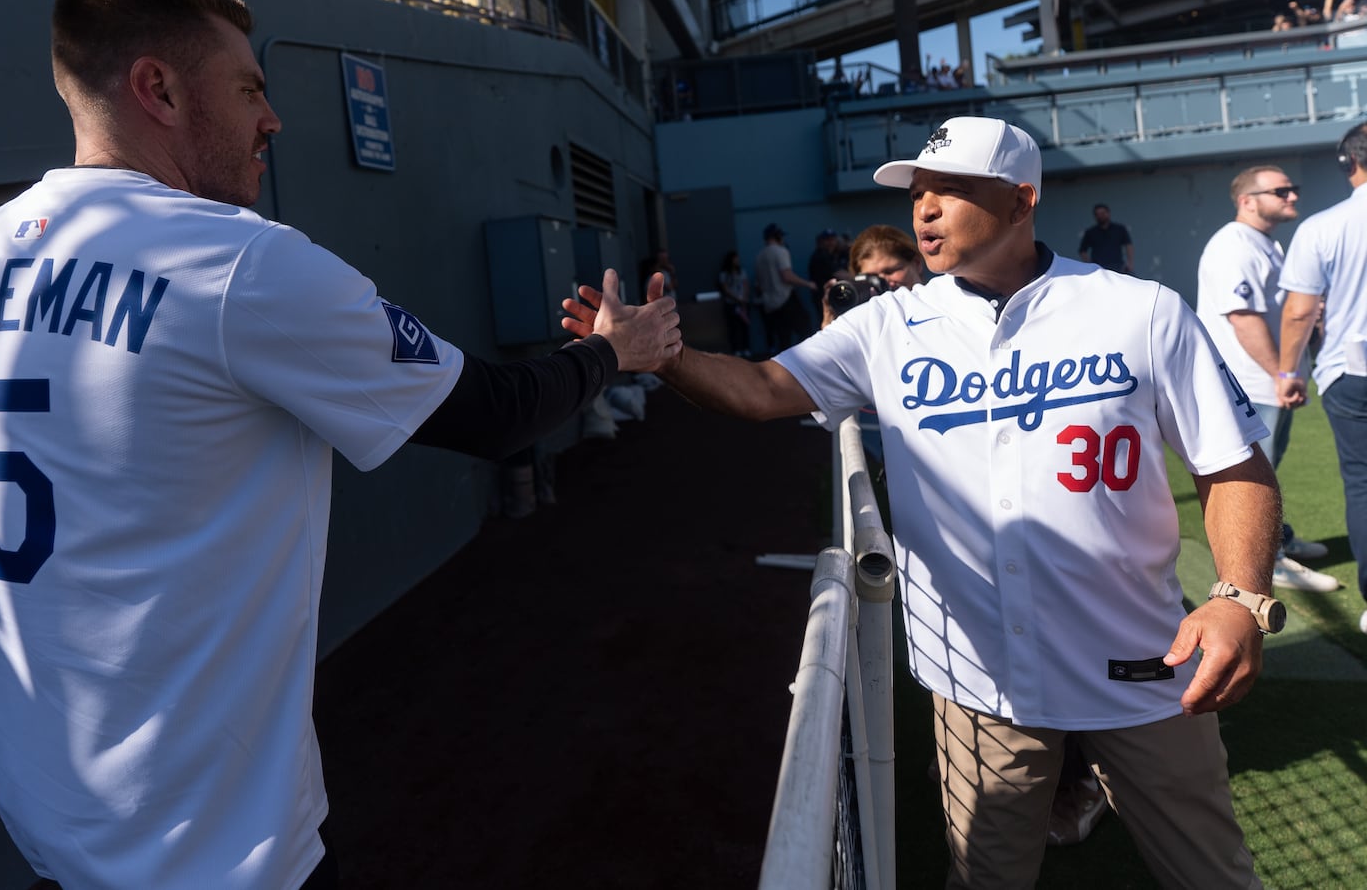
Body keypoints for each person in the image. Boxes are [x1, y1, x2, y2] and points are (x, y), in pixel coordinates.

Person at [0, 0, 681, 890]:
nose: (271, 119)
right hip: (222, 854)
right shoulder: (239, 262)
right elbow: (497, 416)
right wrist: (614, 352)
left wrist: (54, 571)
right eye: (249, 90)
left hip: (47, 839)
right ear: (157, 88)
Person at [565, 116, 1280, 887]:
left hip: (1142, 667)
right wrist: (660, 354)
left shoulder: (1138, 309)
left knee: (1214, 875)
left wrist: (1239, 596)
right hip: (980, 679)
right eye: (918, 191)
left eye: (950, 189)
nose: (924, 209)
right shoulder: (888, 325)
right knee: (983, 880)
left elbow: (1233, 466)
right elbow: (764, 388)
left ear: (1020, 199)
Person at [1197, 164, 1340, 592]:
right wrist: (1282, 373)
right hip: (1250, 383)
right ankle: (1268, 560)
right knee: (1255, 476)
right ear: (1248, 201)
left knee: (1270, 467)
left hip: (1266, 380)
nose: (1292, 196)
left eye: (1292, 189)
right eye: (1281, 191)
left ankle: (1278, 538)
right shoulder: (1233, 245)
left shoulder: (1264, 244)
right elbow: (1243, 319)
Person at [1277, 121, 1367, 634]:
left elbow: (1298, 313)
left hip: (1353, 370)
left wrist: (1290, 371)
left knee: (1362, 483)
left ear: (1346, 163)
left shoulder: (1323, 226)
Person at [755, 223, 817, 355]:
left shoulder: (759, 256)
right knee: (805, 328)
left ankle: (785, 367)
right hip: (785, 298)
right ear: (777, 236)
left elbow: (759, 284)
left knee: (783, 337)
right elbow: (787, 276)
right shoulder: (780, 251)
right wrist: (808, 284)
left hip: (770, 304)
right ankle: (805, 359)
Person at [1078, 202, 1133, 273]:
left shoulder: (1119, 229)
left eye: (1103, 213)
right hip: (1099, 269)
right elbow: (1082, 251)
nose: (1101, 216)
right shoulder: (1090, 232)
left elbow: (1128, 245)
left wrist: (1130, 263)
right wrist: (1090, 265)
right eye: (1098, 214)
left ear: (1108, 213)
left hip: (1118, 267)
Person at [717, 250, 752, 357]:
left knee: (744, 327)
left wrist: (744, 299)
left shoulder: (741, 271)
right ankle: (736, 349)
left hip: (743, 304)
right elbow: (725, 289)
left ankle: (746, 348)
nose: (737, 261)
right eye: (735, 259)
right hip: (731, 304)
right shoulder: (724, 274)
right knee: (733, 327)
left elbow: (746, 285)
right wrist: (737, 298)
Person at [807, 227, 847, 294]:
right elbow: (839, 274)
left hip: (833, 291)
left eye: (832, 239)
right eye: (827, 240)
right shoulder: (820, 255)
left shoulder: (835, 253)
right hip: (823, 294)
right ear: (821, 242)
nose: (830, 242)